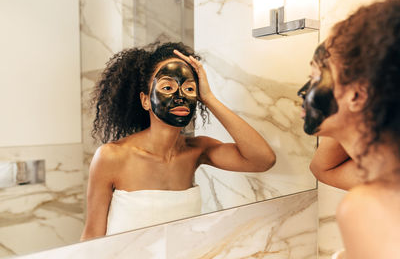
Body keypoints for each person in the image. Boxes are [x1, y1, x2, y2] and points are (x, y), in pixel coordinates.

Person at [81, 42, 276, 240]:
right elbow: (92, 235)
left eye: (189, 89)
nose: (180, 96)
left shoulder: (197, 151)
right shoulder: (111, 156)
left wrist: (209, 98)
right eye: (168, 87)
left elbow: (262, 159)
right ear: (145, 100)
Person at [298, 0, 400, 259]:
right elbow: (323, 169)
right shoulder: (382, 173)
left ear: (358, 95)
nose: (302, 92)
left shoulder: (367, 204)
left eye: (314, 78)